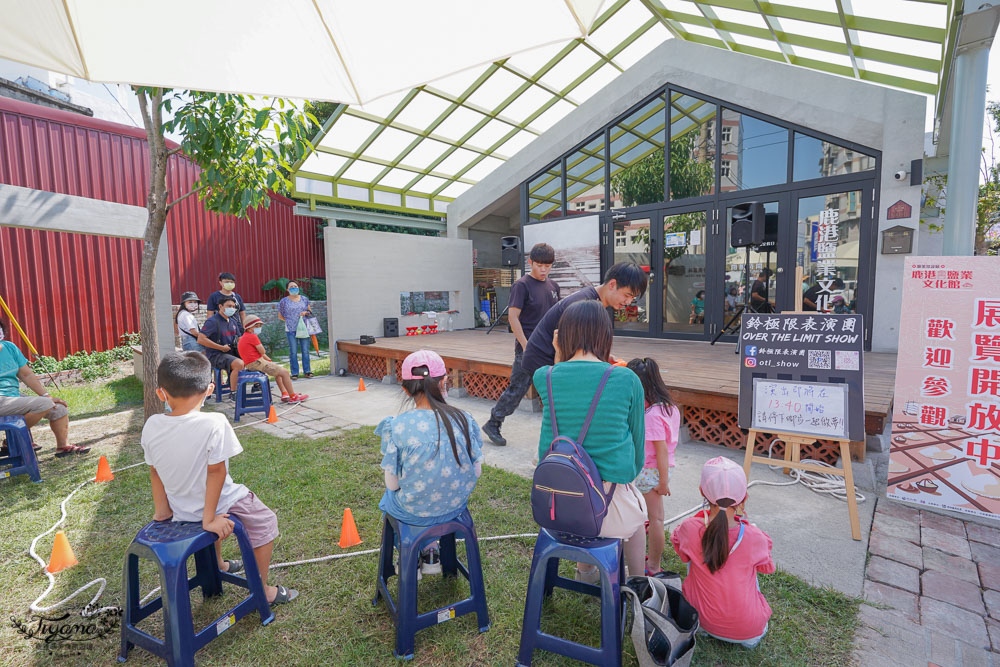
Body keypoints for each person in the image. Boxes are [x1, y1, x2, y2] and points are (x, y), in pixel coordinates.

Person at [142, 351, 297, 604]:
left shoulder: (152, 425)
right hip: (212, 507)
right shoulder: (215, 421)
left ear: (161, 393)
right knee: (265, 520)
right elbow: (216, 472)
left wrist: (162, 512)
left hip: (181, 510)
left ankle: (219, 564)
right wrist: (208, 519)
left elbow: (154, 471)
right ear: (210, 389)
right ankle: (263, 589)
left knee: (216, 513)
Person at [534, 300, 646, 579]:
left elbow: (563, 378)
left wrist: (559, 356)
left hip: (555, 507)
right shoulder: (626, 379)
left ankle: (585, 573)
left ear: (562, 336)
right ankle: (638, 582)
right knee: (637, 516)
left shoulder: (544, 376)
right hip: (606, 511)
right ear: (605, 336)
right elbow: (634, 465)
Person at [481, 262, 647, 446]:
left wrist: (605, 357)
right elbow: (566, 343)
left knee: (552, 406)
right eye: (627, 295)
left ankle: (554, 445)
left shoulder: (595, 302)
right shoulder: (584, 303)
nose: (628, 302)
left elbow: (583, 343)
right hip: (542, 357)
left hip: (552, 357)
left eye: (632, 298)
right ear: (613, 284)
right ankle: (546, 447)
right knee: (550, 405)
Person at [375, 350, 484, 576]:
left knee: (389, 499)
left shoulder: (397, 426)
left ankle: (411, 557)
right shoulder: (465, 419)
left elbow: (393, 484)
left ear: (405, 389)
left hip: (413, 510)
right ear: (444, 382)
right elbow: (477, 471)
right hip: (454, 507)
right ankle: (432, 550)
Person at [670, 457, 774, 648]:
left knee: (693, 560)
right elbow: (767, 568)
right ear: (744, 498)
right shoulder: (756, 537)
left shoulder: (689, 528)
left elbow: (682, 551)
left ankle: (708, 626)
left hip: (700, 621)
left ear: (702, 491)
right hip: (750, 632)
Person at [481, 243, 560, 447]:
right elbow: (513, 318)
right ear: (530, 262)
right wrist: (526, 346)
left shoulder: (553, 287)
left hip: (551, 349)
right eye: (540, 265)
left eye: (548, 266)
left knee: (556, 391)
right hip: (527, 350)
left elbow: (556, 317)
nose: (543, 269)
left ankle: (560, 433)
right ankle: (493, 423)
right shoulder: (522, 285)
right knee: (517, 390)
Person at [0, 321, 87, 456]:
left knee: (58, 407)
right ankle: (15, 440)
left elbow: (26, 374)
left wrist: (46, 395)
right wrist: (46, 400)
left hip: (13, 396)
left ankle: (62, 447)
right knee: (44, 404)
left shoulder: (9, 347)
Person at [626, 357, 679, 576]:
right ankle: (652, 562)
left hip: (650, 471)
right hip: (660, 470)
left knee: (653, 519)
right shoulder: (669, 408)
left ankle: (653, 566)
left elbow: (661, 450)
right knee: (655, 518)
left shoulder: (652, 416)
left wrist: (663, 482)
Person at [237, 315, 308, 403]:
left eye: (259, 326)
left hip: (252, 363)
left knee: (278, 371)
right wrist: (264, 356)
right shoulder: (252, 337)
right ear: (248, 327)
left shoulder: (244, 337)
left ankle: (284, 393)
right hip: (257, 363)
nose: (258, 328)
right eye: (256, 326)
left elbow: (259, 354)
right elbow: (262, 351)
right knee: (285, 372)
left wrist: (268, 360)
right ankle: (293, 396)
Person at [197, 296, 244, 399]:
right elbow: (200, 339)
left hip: (231, 353)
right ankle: (234, 393)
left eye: (233, 306)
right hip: (216, 355)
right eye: (229, 306)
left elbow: (240, 338)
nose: (232, 308)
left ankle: (255, 385)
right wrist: (220, 347)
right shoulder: (212, 321)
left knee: (253, 359)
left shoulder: (233, 321)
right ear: (220, 306)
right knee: (239, 364)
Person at [276, 281, 312, 379]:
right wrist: (289, 321)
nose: (294, 288)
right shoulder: (284, 301)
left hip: (304, 328)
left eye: (295, 286)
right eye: (291, 287)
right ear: (287, 289)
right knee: (293, 351)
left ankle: (307, 371)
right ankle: (294, 373)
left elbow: (310, 311)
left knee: (305, 350)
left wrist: (306, 313)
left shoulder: (304, 299)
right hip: (291, 329)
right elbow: (280, 316)